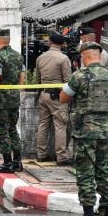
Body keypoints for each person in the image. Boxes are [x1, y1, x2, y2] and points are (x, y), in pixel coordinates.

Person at [60, 42, 108, 216]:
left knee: (86, 173)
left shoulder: (79, 76)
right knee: (105, 172)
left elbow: (64, 98)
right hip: (106, 131)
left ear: (84, 57)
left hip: (85, 132)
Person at [0, 27, 25, 173]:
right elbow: (22, 79)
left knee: (1, 131)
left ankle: (7, 163)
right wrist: (14, 92)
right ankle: (17, 162)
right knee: (13, 130)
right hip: (14, 100)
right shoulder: (18, 56)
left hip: (1, 102)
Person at [35, 32, 73, 165]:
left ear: (50, 42)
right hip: (58, 96)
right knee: (61, 125)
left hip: (43, 95)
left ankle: (41, 154)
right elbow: (68, 80)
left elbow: (37, 79)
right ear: (62, 44)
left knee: (43, 125)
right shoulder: (63, 58)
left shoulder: (40, 58)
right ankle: (61, 157)